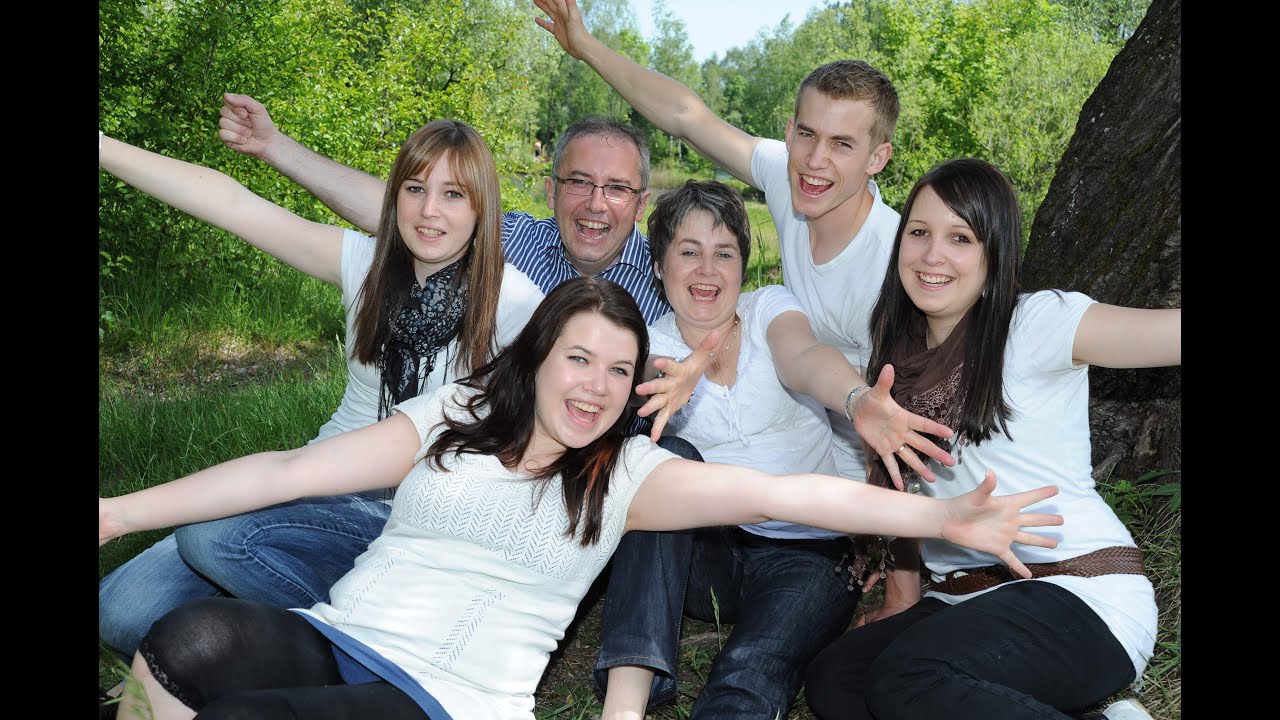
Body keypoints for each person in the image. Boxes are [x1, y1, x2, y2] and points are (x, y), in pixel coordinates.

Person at [98, 275, 1066, 720]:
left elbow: (790, 491)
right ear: (538, 357)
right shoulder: (454, 414)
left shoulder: (629, 478)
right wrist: (120, 511)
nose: (595, 386)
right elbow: (283, 472)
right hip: (344, 633)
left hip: (446, 698)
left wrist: (940, 517)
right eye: (578, 358)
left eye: (618, 369)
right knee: (186, 642)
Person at [96, 120, 546, 661]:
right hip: (319, 484)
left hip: (409, 518)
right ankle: (264, 630)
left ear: (481, 207)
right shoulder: (367, 265)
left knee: (212, 538)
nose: (430, 211)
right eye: (415, 189)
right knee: (120, 611)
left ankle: (345, 642)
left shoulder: (516, 305)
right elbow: (231, 204)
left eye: (453, 194)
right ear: (395, 196)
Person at [799, 158, 1180, 720]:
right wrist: (902, 596)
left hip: (1080, 593)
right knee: (837, 681)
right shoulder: (895, 361)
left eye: (961, 238)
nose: (933, 255)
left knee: (908, 678)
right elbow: (907, 492)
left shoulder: (1035, 324)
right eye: (919, 233)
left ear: (994, 253)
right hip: (963, 598)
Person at [591, 180, 957, 719]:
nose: (707, 271)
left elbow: (804, 357)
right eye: (688, 252)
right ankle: (627, 700)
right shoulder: (648, 340)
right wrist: (665, 376)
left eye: (724, 254)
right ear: (659, 266)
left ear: (743, 265)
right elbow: (640, 373)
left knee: (752, 668)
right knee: (666, 457)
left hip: (808, 550)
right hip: (705, 552)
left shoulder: (768, 308)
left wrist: (855, 399)